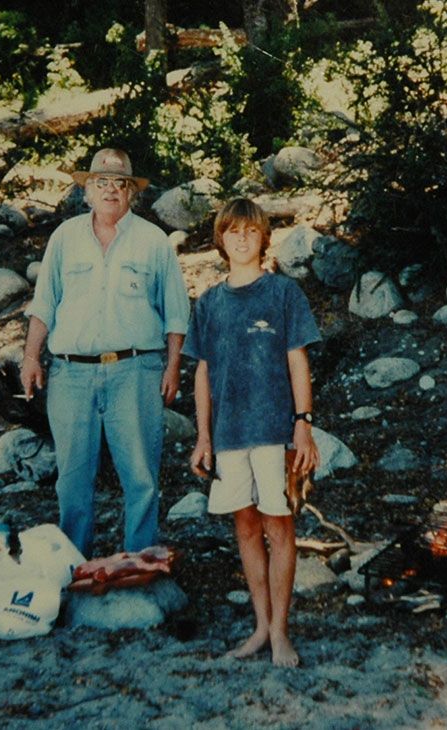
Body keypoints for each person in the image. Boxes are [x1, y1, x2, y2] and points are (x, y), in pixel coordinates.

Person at [20, 148, 191, 558]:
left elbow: (176, 314)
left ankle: (139, 565)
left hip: (136, 370)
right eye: (101, 183)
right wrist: (30, 357)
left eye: (120, 184)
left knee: (141, 477)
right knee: (73, 479)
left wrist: (172, 367)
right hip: (70, 375)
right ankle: (76, 566)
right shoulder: (64, 237)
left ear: (132, 192)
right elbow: (44, 303)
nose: (111, 191)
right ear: (87, 192)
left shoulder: (153, 241)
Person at [185, 198, 321, 667]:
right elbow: (202, 373)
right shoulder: (208, 303)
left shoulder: (283, 293)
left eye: (250, 231)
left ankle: (282, 632)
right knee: (245, 529)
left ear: (264, 238)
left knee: (279, 527)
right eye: (232, 231)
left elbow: (298, 362)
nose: (241, 238)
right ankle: (260, 628)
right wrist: (203, 436)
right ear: (220, 240)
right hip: (228, 436)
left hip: (274, 432)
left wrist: (302, 426)